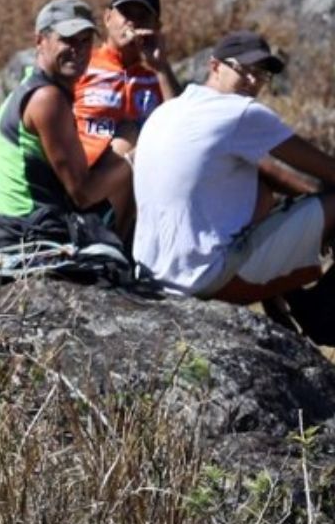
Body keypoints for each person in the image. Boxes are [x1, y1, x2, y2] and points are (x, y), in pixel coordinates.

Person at [132, 30, 335, 337]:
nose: (254, 83)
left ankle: (289, 311)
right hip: (204, 278)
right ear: (214, 66)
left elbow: (268, 175)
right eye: (246, 70)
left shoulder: (167, 110)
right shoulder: (241, 113)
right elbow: (326, 169)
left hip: (151, 276)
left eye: (262, 75)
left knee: (259, 193)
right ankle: (323, 318)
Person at [0, 0, 131, 245]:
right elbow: (83, 194)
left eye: (85, 41)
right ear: (40, 41)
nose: (78, 50)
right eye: (67, 40)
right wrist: (134, 163)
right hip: (27, 233)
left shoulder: (35, 86)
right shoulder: (46, 98)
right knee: (128, 156)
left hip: (15, 226)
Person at [73, 0, 182, 164]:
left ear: (156, 27)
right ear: (107, 18)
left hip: (137, 183)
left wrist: (161, 67)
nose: (132, 22)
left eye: (142, 17)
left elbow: (182, 128)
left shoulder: (158, 78)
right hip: (82, 177)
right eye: (126, 14)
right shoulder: (81, 65)